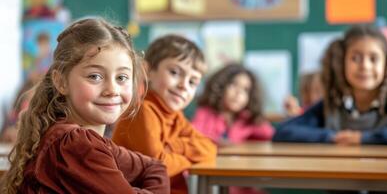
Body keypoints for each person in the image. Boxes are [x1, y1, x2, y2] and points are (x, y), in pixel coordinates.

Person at [1, 18, 169, 194]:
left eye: (121, 78)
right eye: (95, 76)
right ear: (61, 82)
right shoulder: (75, 144)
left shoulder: (89, 141)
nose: (112, 90)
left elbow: (155, 167)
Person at [112, 35, 217, 194]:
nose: (183, 86)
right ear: (147, 71)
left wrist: (176, 147)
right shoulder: (143, 111)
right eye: (174, 72)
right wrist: (188, 159)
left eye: (192, 82)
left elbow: (209, 149)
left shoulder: (175, 116)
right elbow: (159, 167)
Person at [273, 24, 387, 145]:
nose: (365, 66)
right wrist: (333, 137)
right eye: (355, 58)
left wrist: (364, 138)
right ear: (341, 62)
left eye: (374, 59)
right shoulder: (331, 106)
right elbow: (283, 132)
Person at [192, 63, 275, 146]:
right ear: (220, 86)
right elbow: (195, 136)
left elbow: (270, 134)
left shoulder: (247, 119)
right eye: (234, 84)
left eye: (246, 90)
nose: (239, 93)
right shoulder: (205, 113)